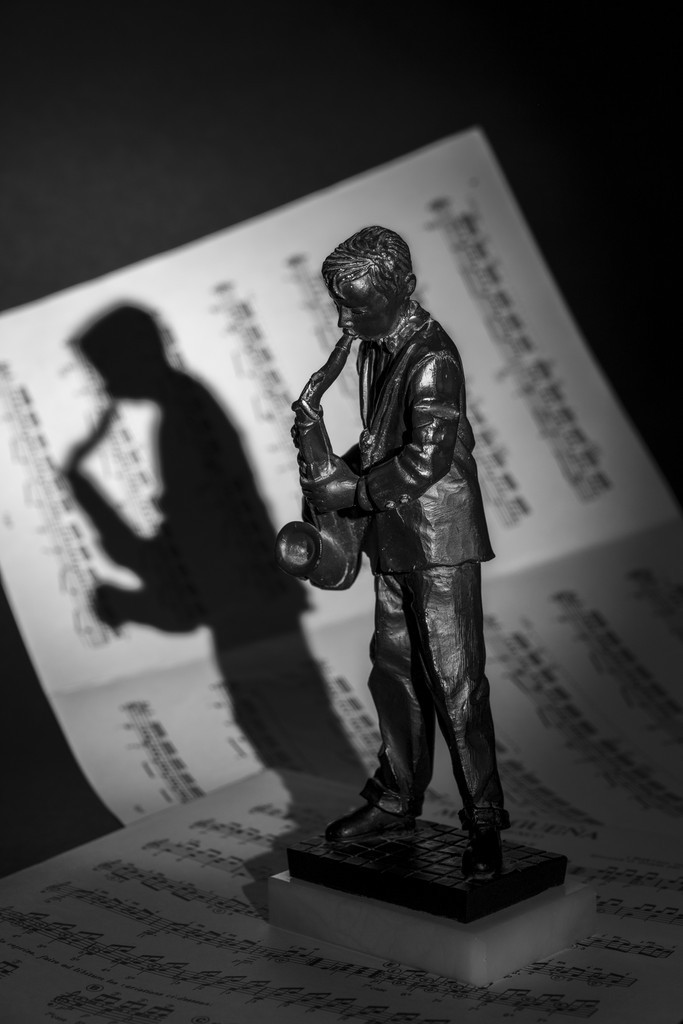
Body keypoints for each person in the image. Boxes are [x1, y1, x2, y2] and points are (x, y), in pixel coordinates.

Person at [300, 225, 510, 876]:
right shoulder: (374, 343)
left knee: (454, 685)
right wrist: (331, 465)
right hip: (393, 535)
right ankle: (395, 799)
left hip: (439, 540)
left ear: (404, 291)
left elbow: (426, 458)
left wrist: (350, 489)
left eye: (356, 306)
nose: (344, 320)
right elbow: (383, 440)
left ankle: (483, 822)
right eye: (339, 306)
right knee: (393, 672)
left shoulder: (432, 356)